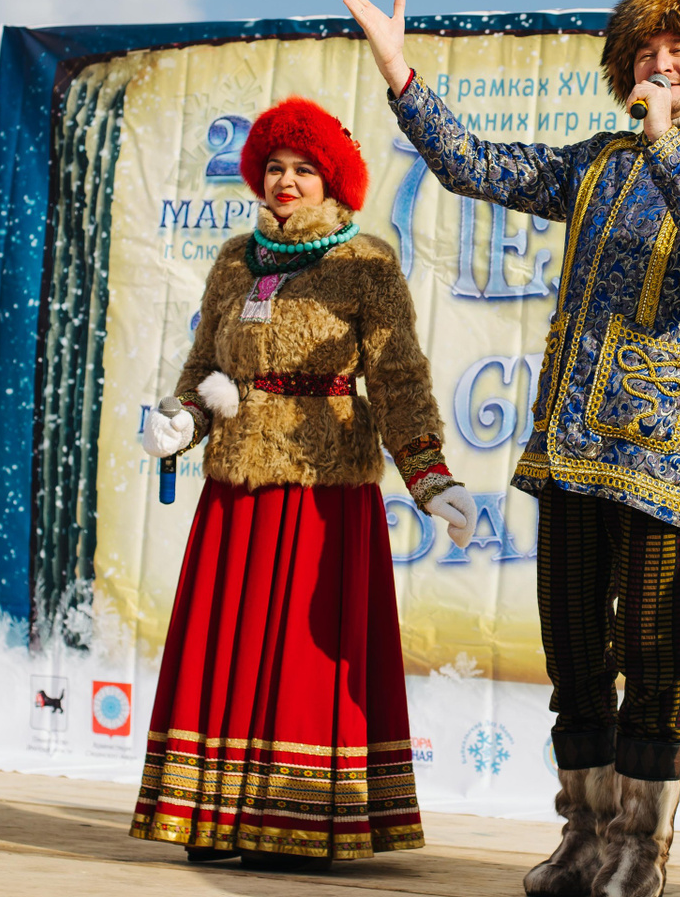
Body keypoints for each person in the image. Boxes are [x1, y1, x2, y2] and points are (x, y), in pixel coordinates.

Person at [333, 0, 680, 897]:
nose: (660, 66)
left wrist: (665, 143)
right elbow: (473, 166)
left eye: (679, 53)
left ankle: (640, 849)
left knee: (652, 655)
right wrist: (398, 70)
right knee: (574, 655)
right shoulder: (596, 162)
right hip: (569, 447)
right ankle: (584, 836)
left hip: (658, 452)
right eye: (646, 55)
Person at [130, 96, 479, 869]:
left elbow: (398, 377)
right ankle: (215, 812)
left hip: (323, 489)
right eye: (275, 167)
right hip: (238, 487)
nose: (286, 182)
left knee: (301, 659)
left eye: (304, 169)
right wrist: (184, 419)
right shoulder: (235, 259)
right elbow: (205, 366)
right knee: (228, 647)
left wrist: (429, 475)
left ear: (334, 182)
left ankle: (295, 817)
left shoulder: (366, 262)